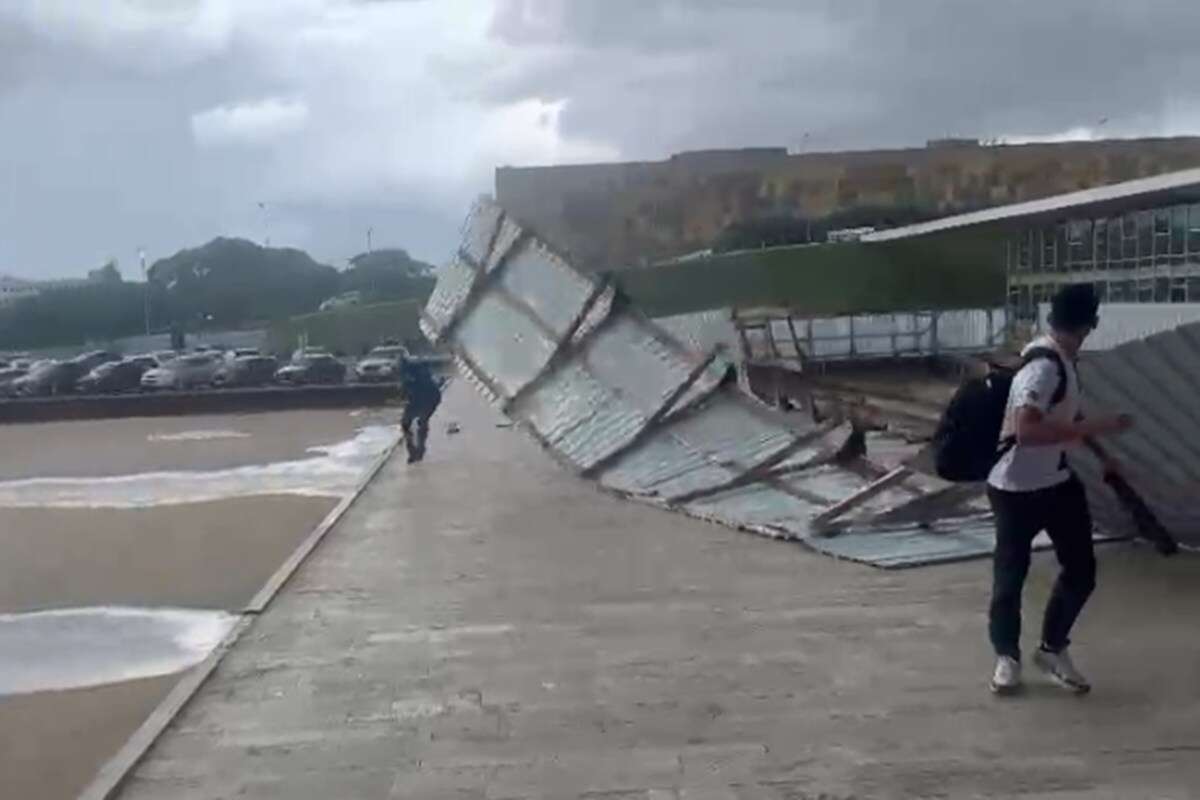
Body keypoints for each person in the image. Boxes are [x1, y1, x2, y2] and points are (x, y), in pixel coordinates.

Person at [986, 283, 1132, 696]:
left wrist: (1101, 455)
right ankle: (1007, 658)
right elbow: (1027, 432)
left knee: (1082, 571)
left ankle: (1051, 649)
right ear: (1091, 323)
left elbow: (1069, 412)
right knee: (1011, 577)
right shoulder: (1044, 367)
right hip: (1013, 488)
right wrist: (1101, 426)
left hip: (1057, 482)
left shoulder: (1063, 360)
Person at [399, 354, 442, 464]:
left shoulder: (415, 372)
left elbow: (406, 391)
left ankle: (419, 448)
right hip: (421, 397)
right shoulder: (408, 374)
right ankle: (414, 450)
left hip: (430, 397)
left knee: (421, 421)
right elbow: (404, 393)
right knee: (407, 424)